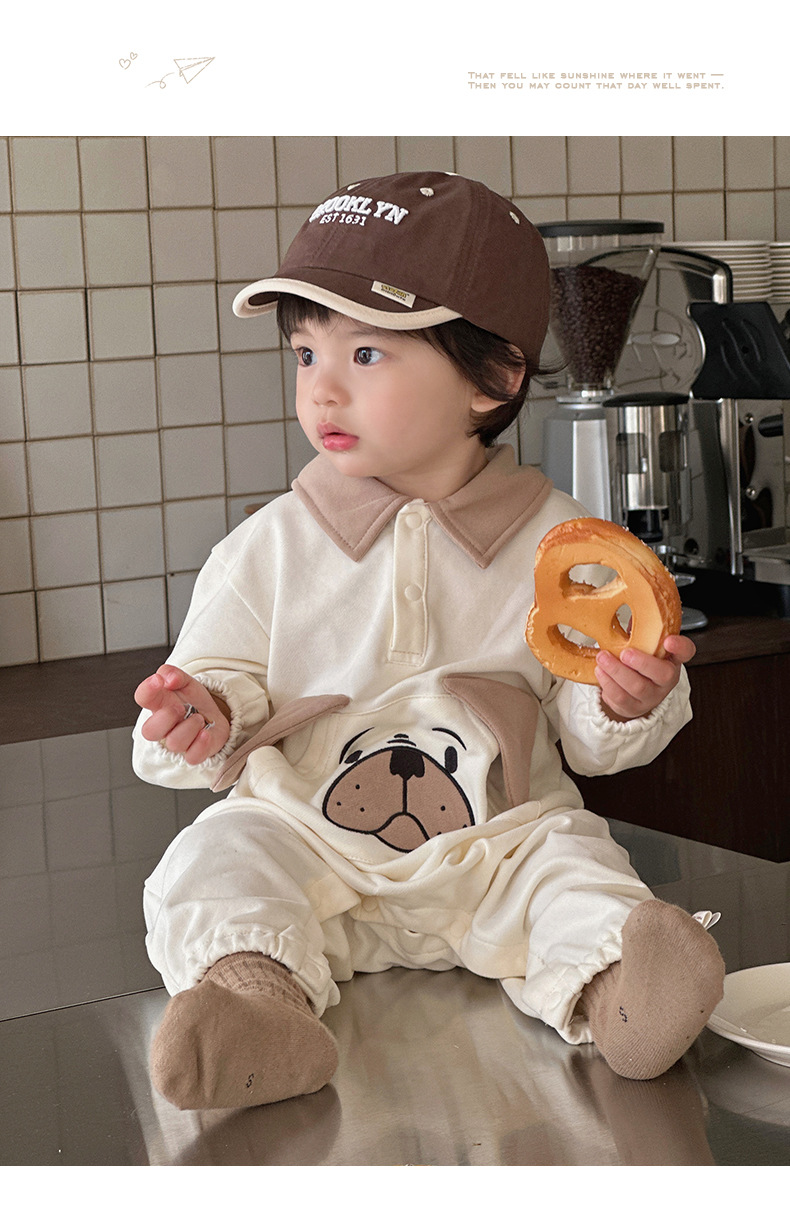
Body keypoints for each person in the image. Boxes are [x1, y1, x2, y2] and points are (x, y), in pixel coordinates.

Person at [132, 171, 724, 1111]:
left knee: (576, 868)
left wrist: (623, 699)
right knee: (216, 861)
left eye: (365, 353)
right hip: (310, 843)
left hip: (499, 847)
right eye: (305, 353)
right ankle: (258, 1003)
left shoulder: (564, 544)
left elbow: (587, 735)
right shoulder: (266, 548)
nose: (321, 388)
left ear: (495, 378)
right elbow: (214, 682)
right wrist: (200, 716)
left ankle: (625, 995)